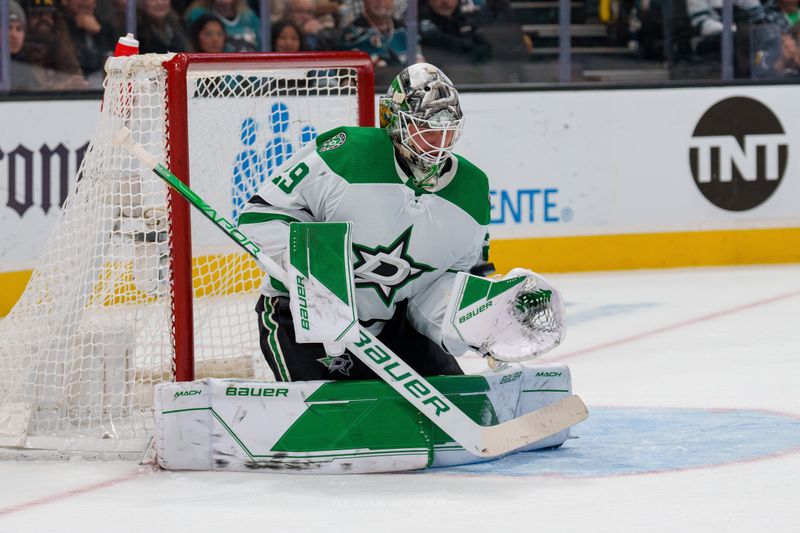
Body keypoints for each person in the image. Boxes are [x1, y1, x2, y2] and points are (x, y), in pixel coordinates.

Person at [238, 63, 490, 381]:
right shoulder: (348, 155)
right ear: (395, 122)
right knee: (329, 423)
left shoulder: (473, 190)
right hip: (302, 321)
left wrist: (474, 319)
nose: (438, 140)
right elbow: (259, 216)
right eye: (425, 128)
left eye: (447, 128)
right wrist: (313, 271)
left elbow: (453, 280)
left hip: (393, 328)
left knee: (458, 405)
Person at [61, 0, 117, 88]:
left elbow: (118, 58)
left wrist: (99, 32)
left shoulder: (105, 27)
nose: (85, 1)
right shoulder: (59, 28)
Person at [339, 0, 413, 65]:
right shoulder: (352, 33)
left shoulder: (403, 31)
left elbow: (418, 65)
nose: (380, 1)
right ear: (364, 1)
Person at [419, 0, 492, 63]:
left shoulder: (465, 19)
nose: (444, 1)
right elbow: (435, 39)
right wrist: (468, 47)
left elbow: (483, 43)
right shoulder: (419, 22)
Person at [184, 0, 261, 52]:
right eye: (209, 34)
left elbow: (263, 47)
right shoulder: (196, 15)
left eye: (219, 35)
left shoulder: (250, 16)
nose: (215, 39)